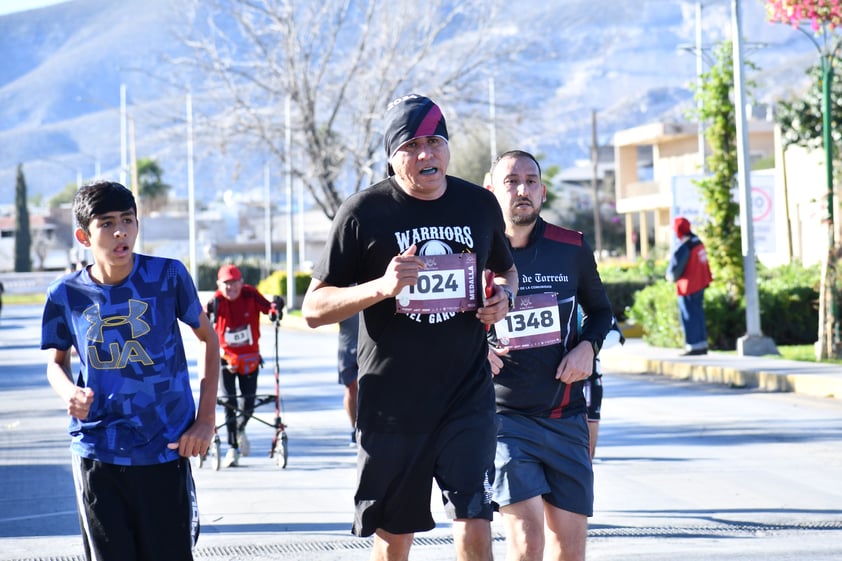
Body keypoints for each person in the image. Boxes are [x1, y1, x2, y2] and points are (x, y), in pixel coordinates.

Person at [301, 93, 518, 561]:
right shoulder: (363, 212)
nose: (426, 154)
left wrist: (504, 297)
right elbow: (314, 308)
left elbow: (506, 269)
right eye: (412, 145)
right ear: (392, 156)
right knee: (395, 537)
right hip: (394, 404)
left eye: (435, 142)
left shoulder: (479, 205)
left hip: (466, 395)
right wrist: (381, 287)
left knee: (475, 519)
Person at [40, 181, 220, 561]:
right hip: (98, 452)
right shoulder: (64, 294)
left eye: (128, 220)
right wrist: (68, 393)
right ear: (83, 236)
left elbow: (209, 339)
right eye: (106, 223)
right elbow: (56, 364)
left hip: (165, 448)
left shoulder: (168, 276)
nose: (120, 231)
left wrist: (204, 420)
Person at [485, 150, 613, 561]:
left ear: (542, 191)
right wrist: (473, 352)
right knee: (527, 544)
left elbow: (601, 312)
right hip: (504, 420)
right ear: (491, 190)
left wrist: (587, 347)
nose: (522, 189)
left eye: (530, 181)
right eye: (511, 181)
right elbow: (444, 324)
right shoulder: (472, 255)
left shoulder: (570, 246)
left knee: (570, 551)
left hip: (565, 416)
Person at [207, 264, 282, 467]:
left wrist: (276, 308)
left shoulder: (250, 294)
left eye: (234, 283)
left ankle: (240, 429)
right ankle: (233, 448)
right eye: (226, 284)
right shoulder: (217, 300)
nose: (231, 288)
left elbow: (269, 309)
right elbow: (203, 318)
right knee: (229, 402)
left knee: (248, 403)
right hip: (226, 360)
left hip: (250, 359)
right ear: (219, 284)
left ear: (242, 282)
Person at [666, 216, 712, 356]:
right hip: (700, 283)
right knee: (698, 314)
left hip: (688, 286)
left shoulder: (685, 246)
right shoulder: (698, 242)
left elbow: (674, 270)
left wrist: (669, 277)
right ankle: (701, 344)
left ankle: (693, 346)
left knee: (689, 315)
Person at [583, 316, 625, 460]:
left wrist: (589, 343)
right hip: (555, 374)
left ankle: (589, 461)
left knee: (591, 417)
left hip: (590, 375)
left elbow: (615, 334)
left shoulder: (591, 300)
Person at [337, 313, 359, 446]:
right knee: (351, 388)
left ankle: (369, 427)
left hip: (372, 346)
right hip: (347, 346)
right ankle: (354, 428)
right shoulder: (343, 290)